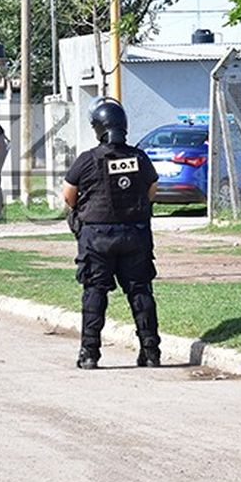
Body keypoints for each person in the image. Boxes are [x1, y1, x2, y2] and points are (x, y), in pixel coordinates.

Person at [63, 99, 162, 370]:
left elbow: (69, 195)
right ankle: (151, 352)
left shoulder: (87, 159)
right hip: (135, 235)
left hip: (97, 237)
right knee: (140, 292)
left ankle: (89, 354)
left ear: (98, 128)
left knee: (95, 292)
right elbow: (152, 189)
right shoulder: (139, 157)